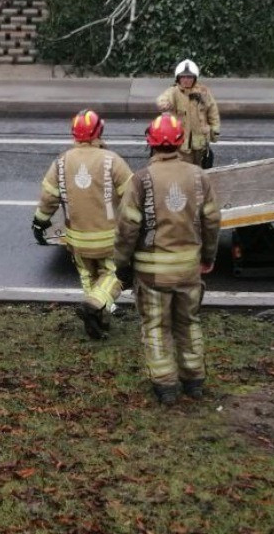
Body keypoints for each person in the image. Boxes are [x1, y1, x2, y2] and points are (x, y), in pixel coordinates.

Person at [114, 113, 222, 405]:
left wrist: (121, 263)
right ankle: (195, 380)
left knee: (157, 327)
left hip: (152, 274)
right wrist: (208, 257)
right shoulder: (199, 176)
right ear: (179, 141)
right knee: (188, 324)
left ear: (150, 142)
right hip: (188, 270)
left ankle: (166, 387)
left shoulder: (140, 180)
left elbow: (128, 228)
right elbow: (212, 221)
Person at [32, 109, 135, 340]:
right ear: (100, 132)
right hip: (109, 238)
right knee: (114, 276)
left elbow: (48, 198)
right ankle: (96, 307)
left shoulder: (61, 163)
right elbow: (133, 198)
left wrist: (39, 223)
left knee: (89, 278)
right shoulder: (112, 162)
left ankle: (98, 320)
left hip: (77, 239)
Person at [156, 59, 220, 168]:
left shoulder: (203, 92)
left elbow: (213, 112)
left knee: (202, 173)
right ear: (178, 78)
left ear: (194, 78)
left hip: (201, 143)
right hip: (182, 146)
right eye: (183, 77)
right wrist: (164, 104)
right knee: (184, 173)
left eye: (189, 77)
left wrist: (214, 130)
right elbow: (163, 98)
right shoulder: (174, 92)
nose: (186, 80)